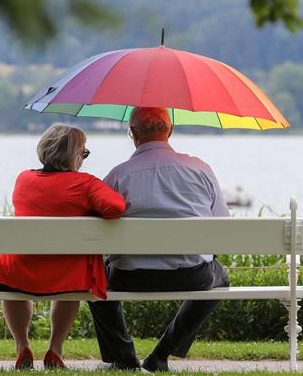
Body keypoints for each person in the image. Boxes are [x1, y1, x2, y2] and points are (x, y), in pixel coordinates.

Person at [88, 107, 230, 372]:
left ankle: (124, 357)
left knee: (94, 279)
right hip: (192, 275)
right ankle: (162, 354)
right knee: (220, 277)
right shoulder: (201, 170)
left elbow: (94, 228)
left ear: (132, 133)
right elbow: (221, 224)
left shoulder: (119, 174)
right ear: (170, 130)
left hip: (130, 276)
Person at [0, 124, 126, 370]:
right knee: (70, 276)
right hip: (65, 275)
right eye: (84, 153)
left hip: (20, 271)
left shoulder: (24, 179)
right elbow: (115, 208)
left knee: (12, 273)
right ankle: (55, 349)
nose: (83, 159)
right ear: (74, 155)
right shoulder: (86, 184)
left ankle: (22, 346)